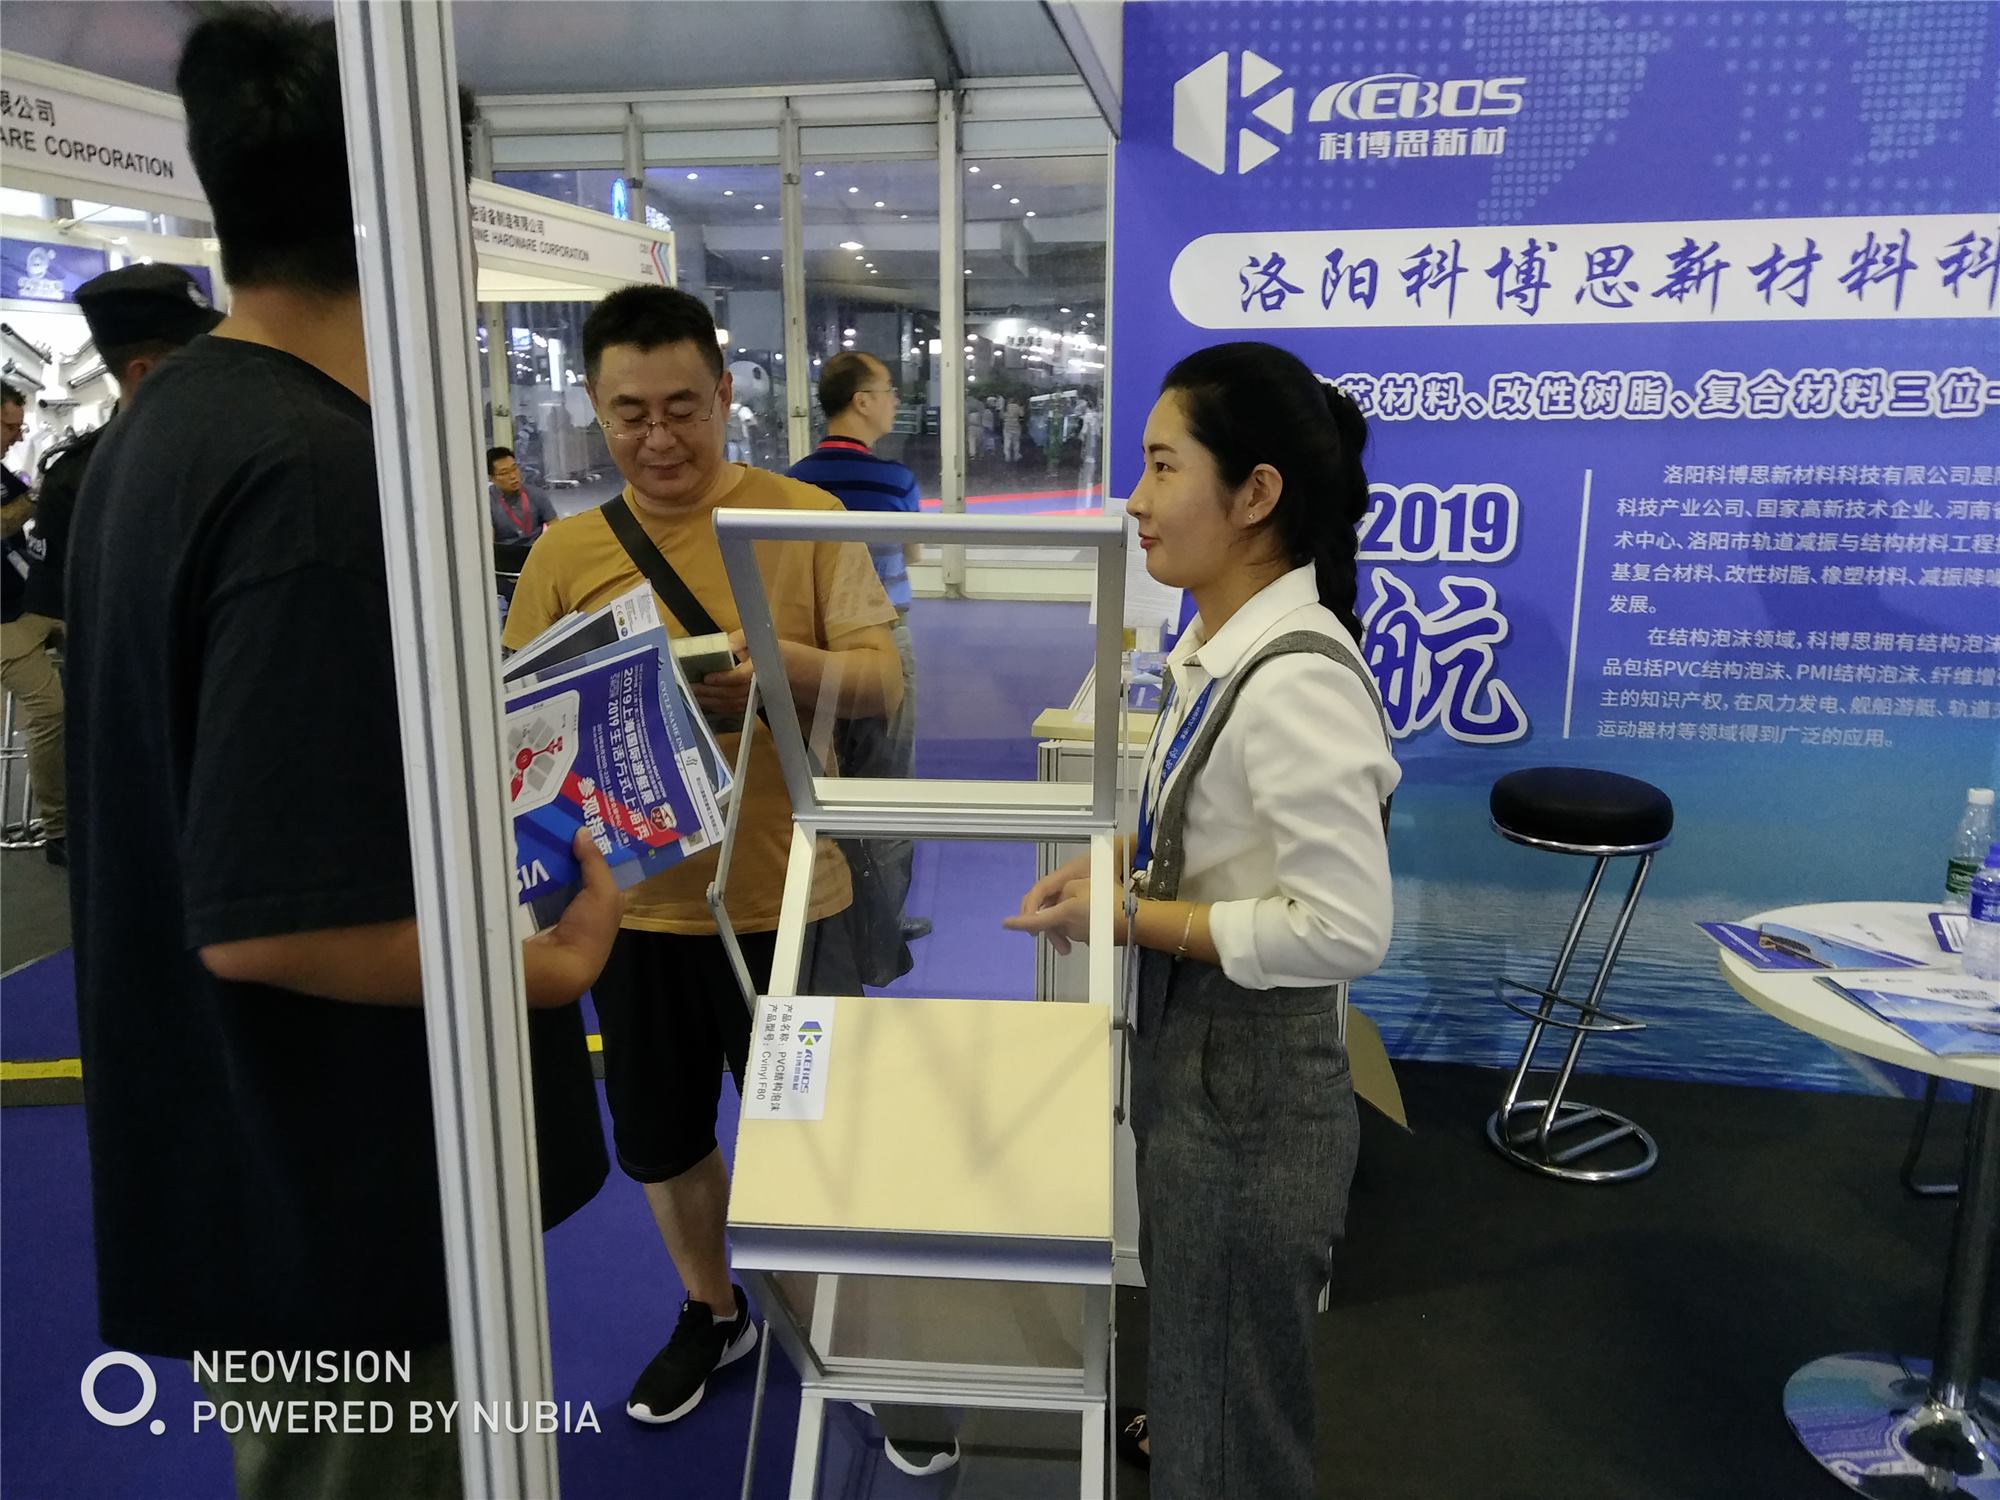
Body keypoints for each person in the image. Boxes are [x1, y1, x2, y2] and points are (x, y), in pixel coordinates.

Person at [65, 12, 617, 1498]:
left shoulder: (167, 430)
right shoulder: (315, 478)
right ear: (417, 211)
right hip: (339, 1192)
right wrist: (545, 967)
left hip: (250, 1158)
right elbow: (274, 921)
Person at [502, 284, 902, 1430]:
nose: (659, 437)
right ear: (594, 409)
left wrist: (773, 671)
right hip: (628, 914)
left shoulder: (799, 517)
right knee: (662, 1137)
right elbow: (520, 732)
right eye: (630, 414)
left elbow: (881, 680)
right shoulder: (564, 553)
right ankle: (712, 1307)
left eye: (682, 407)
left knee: (816, 1136)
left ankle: (844, 1331)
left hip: (791, 901)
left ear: (726, 395)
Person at [1005, 342, 1399, 1500]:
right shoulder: (1218, 653)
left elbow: (1343, 929)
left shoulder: (1294, 678)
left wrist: (1135, 917)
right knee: (1206, 1360)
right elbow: (1220, 834)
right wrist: (1119, 868)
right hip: (1204, 1077)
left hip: (1251, 1101)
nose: (1134, 499)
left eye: (1161, 465)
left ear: (1255, 494)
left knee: (1233, 1412)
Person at [8, 265, 225, 873]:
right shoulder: (80, 474)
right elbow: (70, 603)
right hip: (137, 709)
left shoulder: (218, 452)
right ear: (145, 373)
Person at [786, 351, 929, 949]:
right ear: (862, 402)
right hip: (883, 641)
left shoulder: (792, 482)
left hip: (806, 645)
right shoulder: (895, 481)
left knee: (816, 779)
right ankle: (883, 930)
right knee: (887, 782)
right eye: (888, 390)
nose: (895, 401)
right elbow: (914, 553)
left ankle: (828, 918)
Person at [0, 380, 66, 863]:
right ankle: (59, 830)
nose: (17, 436)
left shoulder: (2, 472)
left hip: (28, 604)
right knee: (51, 710)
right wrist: (42, 493)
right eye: (10, 426)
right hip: (2, 621)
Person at [488, 444, 558, 545]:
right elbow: (488, 543)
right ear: (491, 478)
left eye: (514, 469)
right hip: (504, 552)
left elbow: (556, 528)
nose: (513, 476)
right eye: (504, 473)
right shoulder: (488, 501)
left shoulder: (536, 494)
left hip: (535, 550)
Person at [1002, 397, 1024, 463]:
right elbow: (1022, 415)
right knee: (1016, 442)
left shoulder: (1005, 407)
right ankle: (1016, 456)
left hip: (1007, 427)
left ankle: (1007, 456)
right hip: (1016, 427)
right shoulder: (1018, 407)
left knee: (1007, 442)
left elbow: (1002, 416)